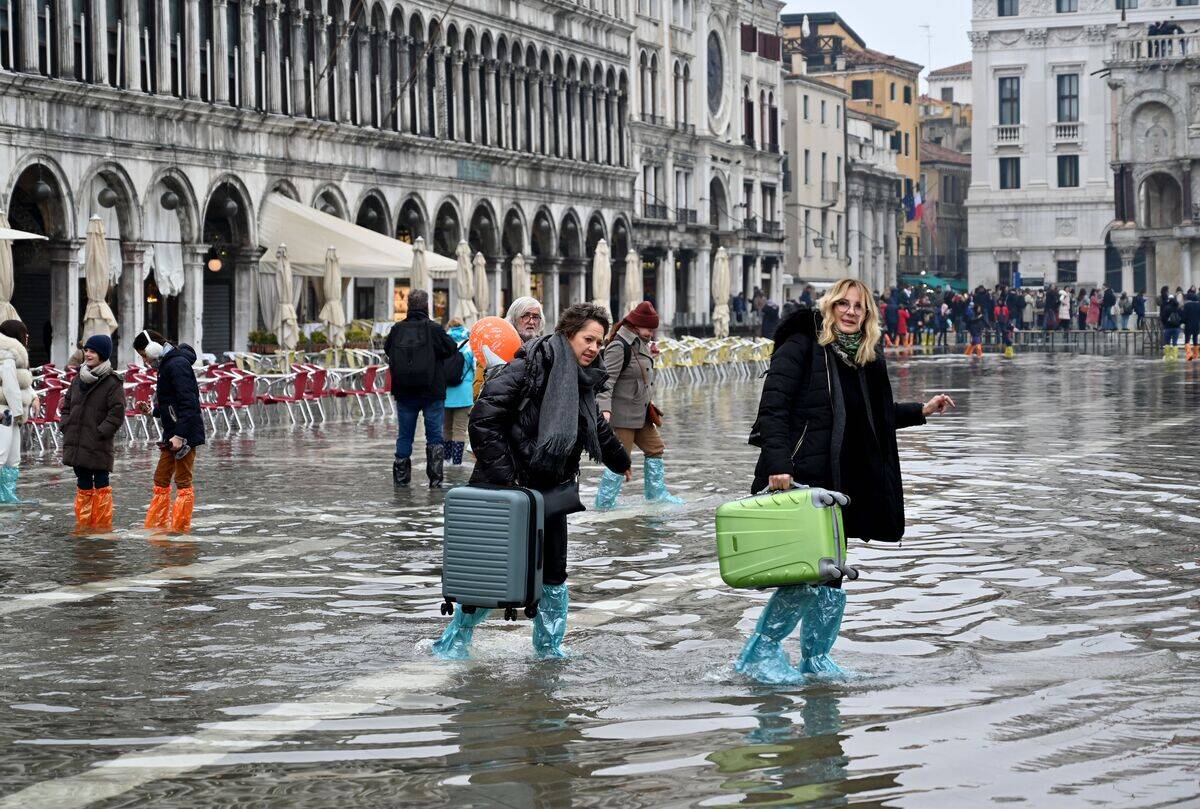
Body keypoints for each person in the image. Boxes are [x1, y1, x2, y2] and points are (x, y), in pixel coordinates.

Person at [738, 278, 954, 684]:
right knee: (804, 571)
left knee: (831, 572)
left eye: (859, 306)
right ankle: (759, 654)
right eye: (843, 304)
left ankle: (815, 659)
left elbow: (872, 414)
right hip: (801, 478)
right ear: (829, 307)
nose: (851, 311)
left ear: (868, 315)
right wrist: (778, 465)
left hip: (843, 483)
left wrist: (920, 410)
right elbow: (774, 409)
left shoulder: (865, 358)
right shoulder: (802, 345)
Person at [433, 303, 633, 659]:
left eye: (600, 343)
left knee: (554, 573)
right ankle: (455, 643)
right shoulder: (528, 366)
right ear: (568, 333)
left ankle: (549, 650)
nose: (594, 348)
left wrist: (620, 460)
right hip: (508, 492)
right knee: (495, 572)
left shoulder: (583, 379)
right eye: (589, 339)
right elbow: (483, 422)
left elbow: (594, 426)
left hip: (552, 492)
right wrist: (509, 481)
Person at [594, 301, 684, 510]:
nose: (651, 333)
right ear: (636, 325)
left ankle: (656, 494)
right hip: (623, 415)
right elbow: (606, 381)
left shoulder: (640, 343)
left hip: (641, 413)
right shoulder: (619, 346)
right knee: (619, 460)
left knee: (655, 448)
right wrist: (605, 409)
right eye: (648, 329)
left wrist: (649, 355)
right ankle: (604, 503)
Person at [133, 329, 205, 533]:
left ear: (153, 348)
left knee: (182, 480)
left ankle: (180, 528)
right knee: (161, 478)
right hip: (172, 434)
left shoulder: (177, 365)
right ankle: (158, 523)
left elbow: (188, 404)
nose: (145, 360)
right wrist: (152, 411)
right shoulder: (166, 365)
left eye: (143, 355)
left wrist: (180, 436)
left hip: (184, 435)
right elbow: (170, 405)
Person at [385, 290, 458, 488]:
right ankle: (435, 482)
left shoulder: (397, 329)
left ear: (409, 306)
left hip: (404, 392)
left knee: (404, 436)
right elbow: (451, 348)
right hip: (432, 392)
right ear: (427, 307)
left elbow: (387, 349)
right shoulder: (434, 329)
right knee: (434, 436)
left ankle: (401, 483)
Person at [59, 334, 124, 532]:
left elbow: (117, 413)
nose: (87, 354)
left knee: (102, 482)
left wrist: (100, 432)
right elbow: (67, 405)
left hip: (98, 443)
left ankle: (102, 528)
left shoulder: (113, 382)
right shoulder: (78, 378)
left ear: (102, 355)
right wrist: (66, 424)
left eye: (92, 351)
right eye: (86, 350)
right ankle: (85, 527)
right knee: (83, 482)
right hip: (77, 441)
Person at [0, 320, 37, 504]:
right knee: (2, 453)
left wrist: (32, 396)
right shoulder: (7, 353)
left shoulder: (16, 355)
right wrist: (19, 412)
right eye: (25, 333)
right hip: (4, 412)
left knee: (13, 458)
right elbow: (10, 387)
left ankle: (7, 495)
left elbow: (23, 384)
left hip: (12, 412)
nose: (28, 336)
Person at [442, 319, 475, 466]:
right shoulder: (470, 344)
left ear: (449, 327)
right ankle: (457, 463)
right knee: (460, 429)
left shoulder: (443, 342)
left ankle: (446, 460)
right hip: (464, 393)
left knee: (446, 428)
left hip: (444, 393)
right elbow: (475, 368)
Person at [1160, 286, 1183, 359]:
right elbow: (1181, 317)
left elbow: (1163, 318)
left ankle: (1167, 357)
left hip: (1168, 328)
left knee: (1167, 343)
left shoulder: (1166, 308)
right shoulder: (1178, 308)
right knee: (1175, 343)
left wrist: (1165, 324)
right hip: (1176, 328)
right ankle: (1175, 357)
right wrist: (1179, 324)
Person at [1182, 292, 1200, 361]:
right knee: (1195, 340)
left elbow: (1183, 316)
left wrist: (1183, 322)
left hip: (1188, 325)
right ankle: (1196, 355)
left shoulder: (1187, 305)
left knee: (1187, 340)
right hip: (1196, 325)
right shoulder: (1199, 305)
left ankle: (1189, 355)